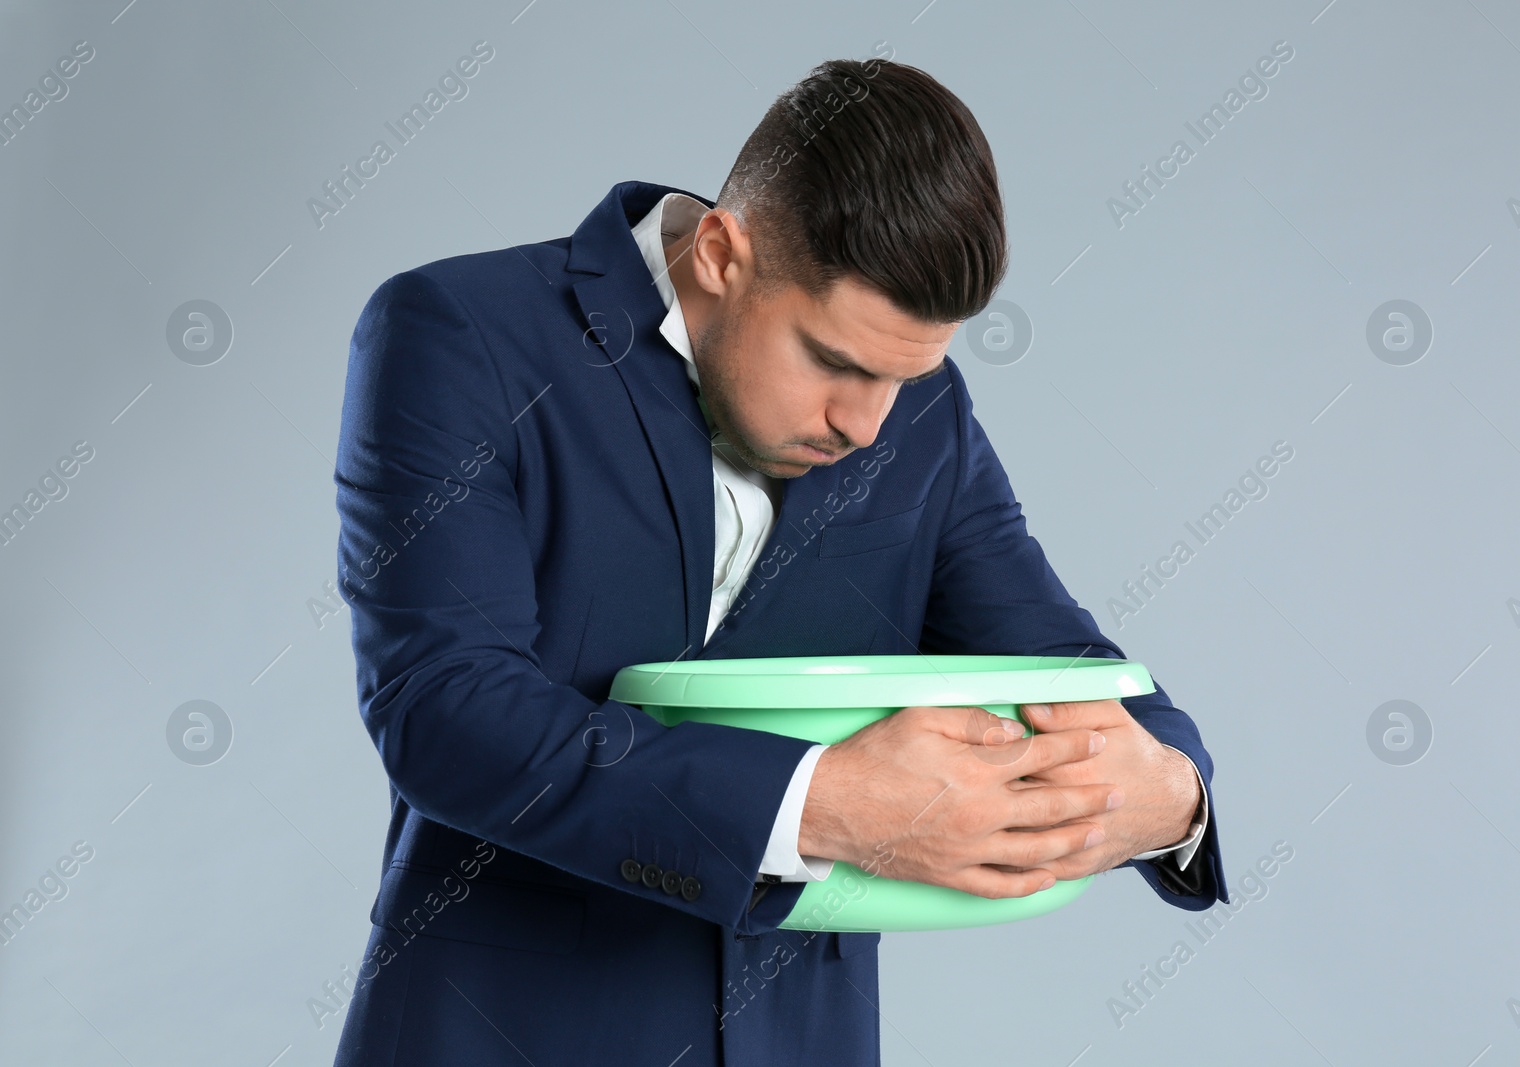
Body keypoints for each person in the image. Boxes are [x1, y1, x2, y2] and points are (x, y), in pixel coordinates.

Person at [330, 55, 1227, 1067]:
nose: (866, 420)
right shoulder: (460, 334)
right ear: (721, 251)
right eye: (836, 361)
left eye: (905, 374)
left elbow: (1061, 658)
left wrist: (1169, 790)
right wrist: (827, 801)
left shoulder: (919, 415)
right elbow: (446, 709)